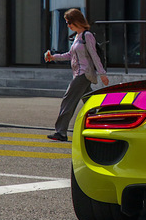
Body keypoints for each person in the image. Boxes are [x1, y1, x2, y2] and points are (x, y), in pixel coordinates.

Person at [44, 8, 109, 141]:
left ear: (77, 21)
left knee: (68, 101)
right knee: (89, 102)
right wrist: (53, 57)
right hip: (78, 74)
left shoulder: (87, 35)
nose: (68, 25)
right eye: (67, 23)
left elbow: (94, 55)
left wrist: (102, 74)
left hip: (83, 74)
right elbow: (69, 55)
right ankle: (102, 124)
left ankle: (61, 132)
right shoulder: (78, 37)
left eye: (69, 22)